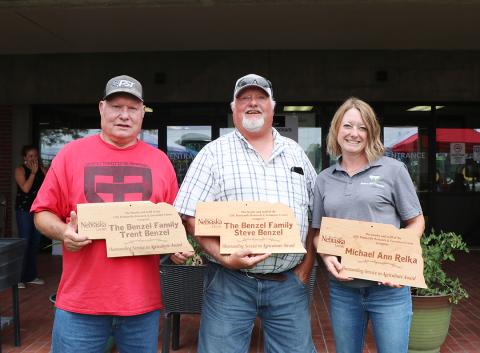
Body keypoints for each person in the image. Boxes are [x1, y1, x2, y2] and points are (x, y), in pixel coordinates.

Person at [31, 75, 180, 353]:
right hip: (80, 305)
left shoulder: (160, 161)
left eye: (132, 108)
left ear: (142, 112)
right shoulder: (70, 155)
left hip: (141, 306)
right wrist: (64, 232)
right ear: (101, 108)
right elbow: (42, 212)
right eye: (116, 106)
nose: (124, 115)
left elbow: (173, 222)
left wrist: (178, 246)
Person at [174, 74, 318, 353]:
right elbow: (191, 217)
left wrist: (306, 268)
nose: (253, 103)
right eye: (244, 98)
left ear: (272, 107)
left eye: (261, 97)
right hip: (230, 284)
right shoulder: (212, 154)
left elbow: (316, 215)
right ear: (234, 108)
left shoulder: (297, 154)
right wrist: (225, 258)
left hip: (288, 283)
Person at [312, 97, 425, 353]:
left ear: (371, 132)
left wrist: (399, 257)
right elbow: (318, 232)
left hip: (389, 291)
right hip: (344, 291)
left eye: (362, 127)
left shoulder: (393, 170)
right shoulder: (324, 180)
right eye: (348, 126)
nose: (354, 133)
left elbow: (416, 220)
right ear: (336, 130)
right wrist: (327, 254)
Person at [15, 145, 47, 288]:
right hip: (24, 211)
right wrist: (33, 174)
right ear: (25, 158)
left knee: (35, 244)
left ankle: (31, 275)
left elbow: (49, 185)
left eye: (35, 155)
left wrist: (42, 171)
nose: (34, 158)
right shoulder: (20, 170)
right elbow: (26, 189)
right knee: (25, 243)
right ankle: (18, 278)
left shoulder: (41, 169)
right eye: (30, 156)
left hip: (38, 211)